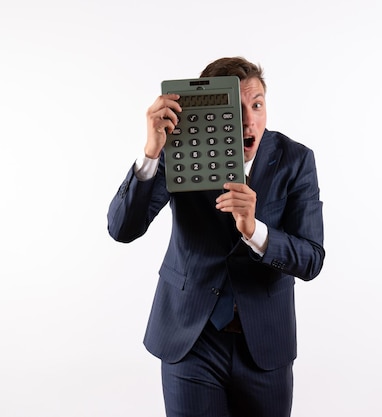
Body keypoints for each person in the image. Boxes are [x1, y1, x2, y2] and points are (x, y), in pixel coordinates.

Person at [107, 56, 325, 417]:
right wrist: (151, 153)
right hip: (191, 339)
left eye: (256, 105)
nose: (249, 119)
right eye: (235, 109)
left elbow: (312, 258)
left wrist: (256, 231)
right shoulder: (180, 153)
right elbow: (122, 228)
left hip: (264, 342)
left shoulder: (296, 160)